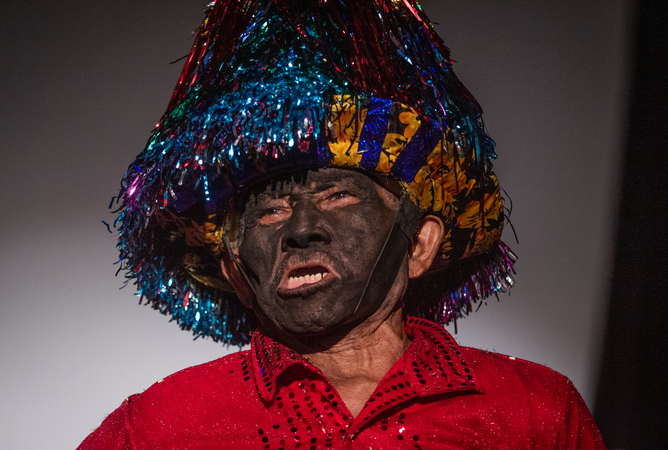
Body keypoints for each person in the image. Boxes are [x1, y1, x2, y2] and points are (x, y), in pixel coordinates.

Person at [79, 0, 605, 448]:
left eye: (337, 196)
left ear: (420, 244)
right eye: (270, 211)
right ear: (235, 272)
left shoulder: (535, 414)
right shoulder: (161, 428)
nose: (301, 229)